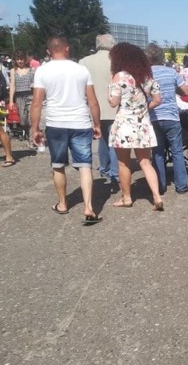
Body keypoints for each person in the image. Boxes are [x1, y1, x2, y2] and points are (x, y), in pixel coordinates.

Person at [30, 36, 102, 224]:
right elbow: (92, 101)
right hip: (81, 123)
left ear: (48, 51)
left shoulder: (42, 71)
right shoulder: (81, 70)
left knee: (58, 165)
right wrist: (97, 124)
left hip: (56, 124)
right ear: (67, 49)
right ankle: (88, 207)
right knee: (85, 165)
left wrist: (35, 128)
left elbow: (37, 103)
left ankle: (63, 204)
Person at [108, 43, 164, 210]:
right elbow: (158, 99)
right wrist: (144, 108)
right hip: (143, 124)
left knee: (123, 163)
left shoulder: (119, 77)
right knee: (145, 162)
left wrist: (109, 92)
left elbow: (113, 103)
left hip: (124, 124)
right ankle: (157, 196)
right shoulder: (146, 76)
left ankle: (126, 198)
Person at [145, 43, 188, 195]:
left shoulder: (144, 75)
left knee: (157, 152)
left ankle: (160, 185)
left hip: (153, 117)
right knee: (177, 151)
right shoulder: (172, 72)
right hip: (171, 116)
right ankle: (181, 185)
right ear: (162, 56)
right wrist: (173, 89)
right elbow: (186, 91)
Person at [80, 33, 119, 183]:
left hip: (94, 107)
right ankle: (115, 171)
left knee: (101, 139)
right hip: (114, 106)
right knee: (115, 141)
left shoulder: (84, 61)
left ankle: (105, 167)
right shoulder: (116, 61)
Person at [8, 50, 35, 145]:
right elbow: (12, 86)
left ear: (25, 59)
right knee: (23, 119)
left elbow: (36, 83)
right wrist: (11, 101)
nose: (20, 61)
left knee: (32, 118)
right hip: (19, 97)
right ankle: (26, 133)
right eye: (18, 59)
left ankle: (32, 140)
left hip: (30, 96)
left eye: (21, 59)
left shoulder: (32, 70)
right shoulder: (13, 71)